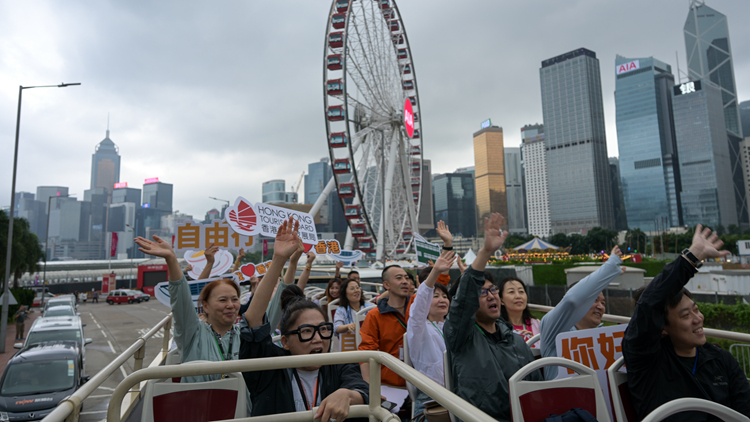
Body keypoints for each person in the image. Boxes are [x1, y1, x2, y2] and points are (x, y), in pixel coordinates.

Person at [240, 216, 369, 419]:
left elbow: (362, 389)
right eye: (306, 331)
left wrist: (348, 395)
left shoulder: (339, 364)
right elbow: (253, 325)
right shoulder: (270, 368)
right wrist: (278, 260)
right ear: (285, 341)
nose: (318, 338)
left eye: (323, 329)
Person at [623, 225, 750, 421]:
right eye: (685, 315)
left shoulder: (721, 360)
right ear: (662, 327)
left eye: (696, 309)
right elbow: (649, 305)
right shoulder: (647, 362)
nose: (698, 318)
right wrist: (693, 256)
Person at [444, 213, 541, 422]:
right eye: (482, 292)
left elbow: (537, 387)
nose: (491, 295)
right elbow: (463, 303)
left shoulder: (514, 339)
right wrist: (486, 252)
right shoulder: (462, 337)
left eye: (493, 290)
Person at [134, 235, 241, 384]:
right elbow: (183, 300)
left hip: (240, 406)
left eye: (235, 299)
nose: (230, 305)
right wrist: (171, 259)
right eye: (222, 300)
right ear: (205, 305)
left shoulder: (244, 333)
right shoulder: (193, 333)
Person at [539, 245, 624, 380]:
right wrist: (611, 265)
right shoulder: (554, 332)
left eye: (603, 303)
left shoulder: (605, 339)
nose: (600, 307)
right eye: (594, 300)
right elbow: (572, 300)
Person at [407, 249, 453, 416]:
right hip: (432, 399)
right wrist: (435, 272)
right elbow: (419, 305)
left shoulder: (452, 327)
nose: (442, 299)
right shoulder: (419, 328)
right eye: (435, 296)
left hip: (458, 393)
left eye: (444, 296)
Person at [358, 262, 414, 388]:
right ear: (386, 285)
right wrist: (370, 390)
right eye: (399, 278)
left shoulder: (417, 306)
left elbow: (436, 288)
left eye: (406, 278)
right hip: (392, 385)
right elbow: (366, 352)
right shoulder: (374, 315)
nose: (405, 281)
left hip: (424, 382)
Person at [333, 278, 374, 347]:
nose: (356, 290)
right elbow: (337, 328)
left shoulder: (371, 307)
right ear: (345, 294)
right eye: (352, 289)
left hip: (369, 344)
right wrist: (348, 326)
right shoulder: (341, 310)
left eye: (358, 288)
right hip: (350, 346)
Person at [498, 277, 539, 345]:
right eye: (511, 292)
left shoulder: (538, 324)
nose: (518, 296)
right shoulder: (497, 328)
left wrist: (534, 342)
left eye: (521, 291)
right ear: (501, 300)